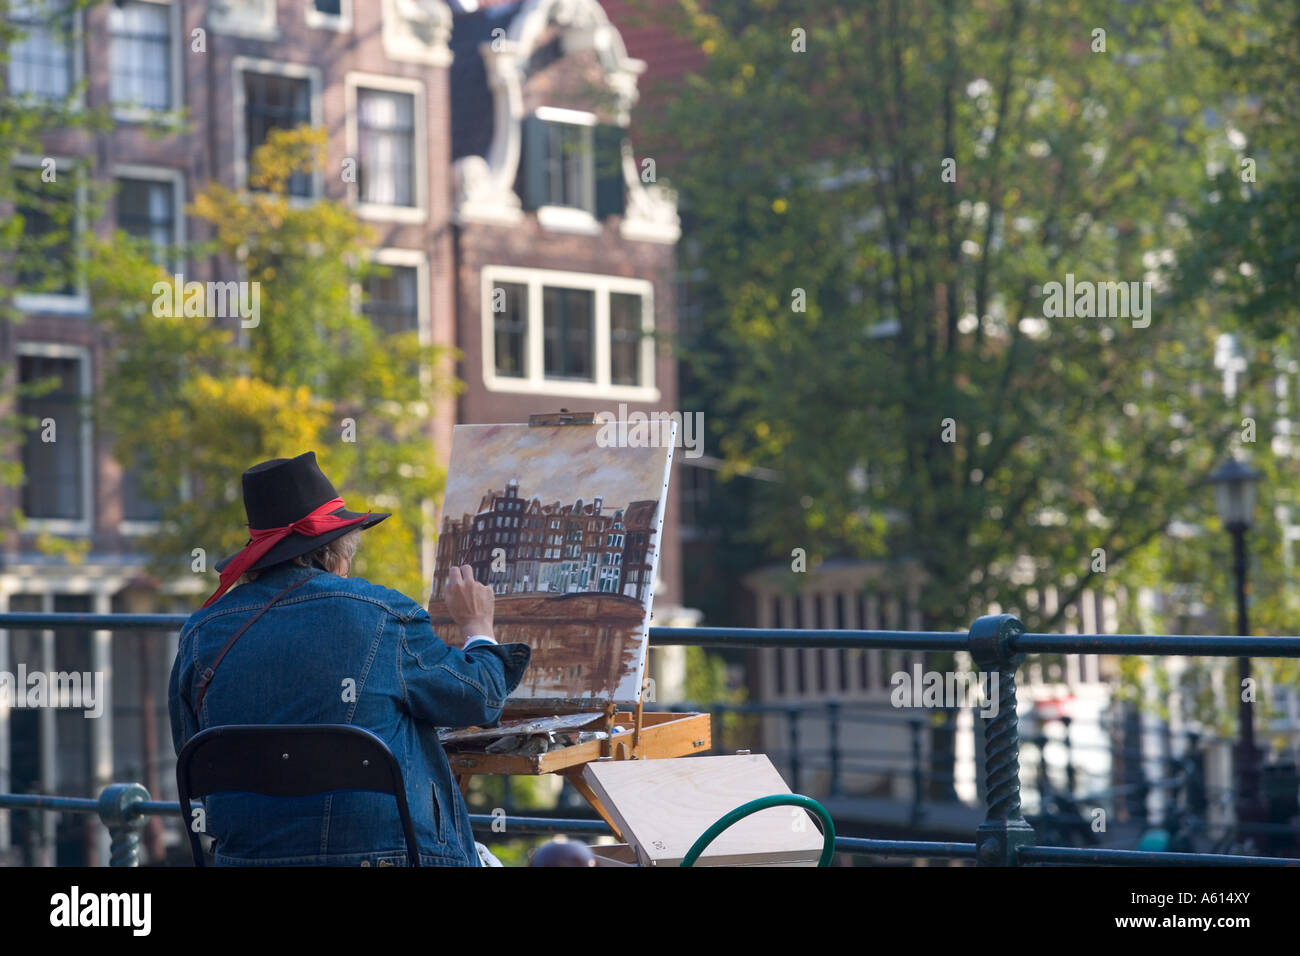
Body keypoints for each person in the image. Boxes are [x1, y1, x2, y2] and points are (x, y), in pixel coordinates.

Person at [168, 451, 530, 866]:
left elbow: (194, 755)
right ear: (335, 553)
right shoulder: (379, 615)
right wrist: (477, 628)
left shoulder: (201, 634)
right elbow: (481, 698)